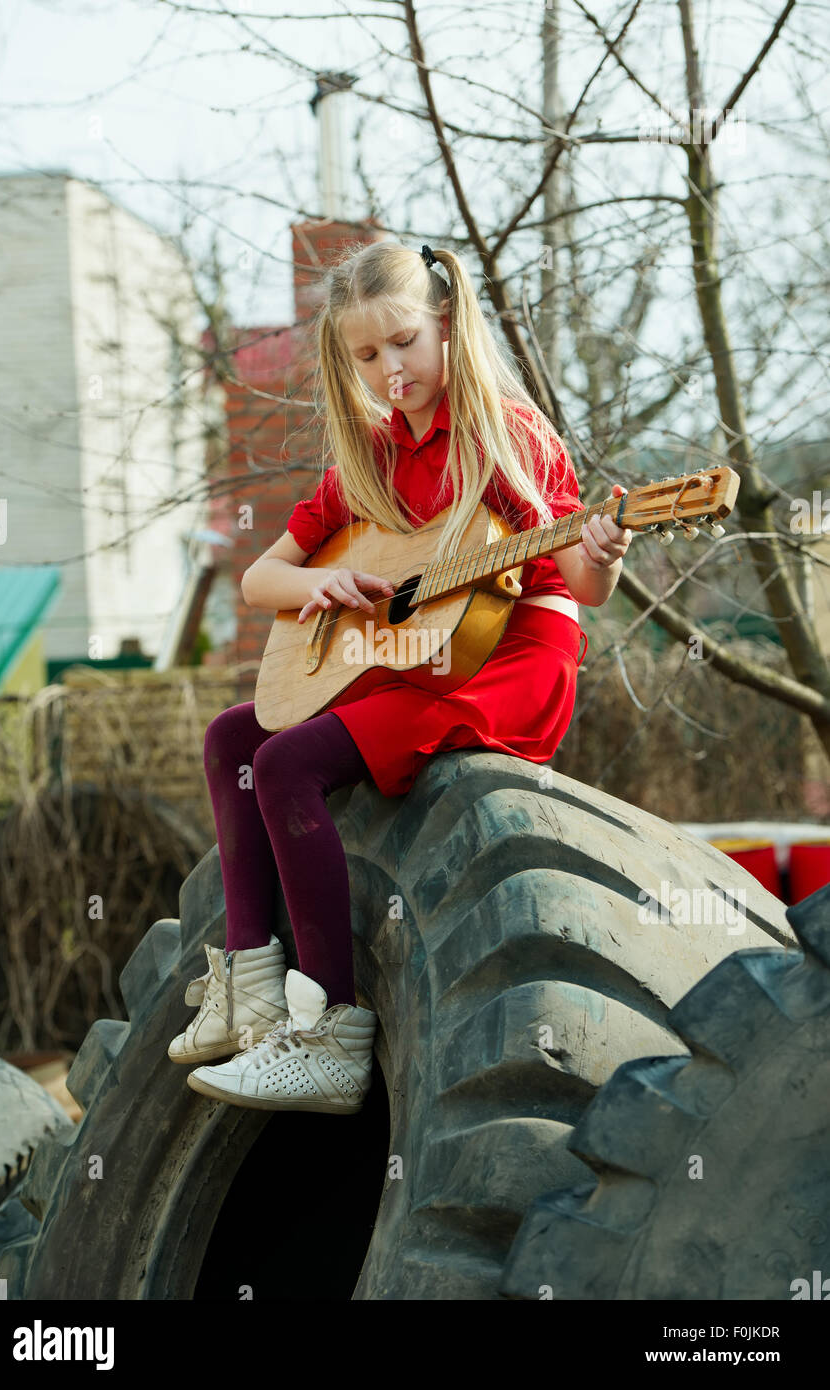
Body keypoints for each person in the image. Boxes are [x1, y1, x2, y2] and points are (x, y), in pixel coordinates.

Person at [169, 240, 632, 1116]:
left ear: (448, 328)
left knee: (285, 763)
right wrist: (321, 583)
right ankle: (249, 982)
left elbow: (581, 582)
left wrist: (604, 549)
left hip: (508, 658)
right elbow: (259, 578)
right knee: (234, 735)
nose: (390, 369)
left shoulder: (505, 432)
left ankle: (331, 1035)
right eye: (366, 355)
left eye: (404, 342)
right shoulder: (373, 456)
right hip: (416, 649)